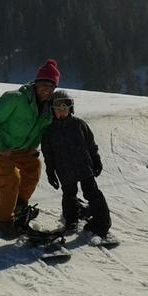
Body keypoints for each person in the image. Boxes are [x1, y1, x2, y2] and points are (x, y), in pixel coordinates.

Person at [0, 59, 59, 236]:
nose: (46, 89)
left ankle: (18, 206)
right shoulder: (15, 99)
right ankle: (3, 220)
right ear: (36, 83)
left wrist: (32, 147)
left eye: (51, 86)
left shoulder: (48, 109)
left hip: (14, 146)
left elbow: (38, 131)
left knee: (33, 167)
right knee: (10, 177)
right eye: (43, 84)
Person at [41, 90, 112, 238]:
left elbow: (91, 145)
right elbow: (48, 155)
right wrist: (50, 173)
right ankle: (71, 220)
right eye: (58, 109)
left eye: (65, 109)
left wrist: (96, 160)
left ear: (70, 109)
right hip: (64, 170)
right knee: (69, 195)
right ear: (52, 111)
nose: (62, 112)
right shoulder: (49, 132)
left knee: (92, 193)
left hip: (84, 167)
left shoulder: (79, 124)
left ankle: (102, 223)